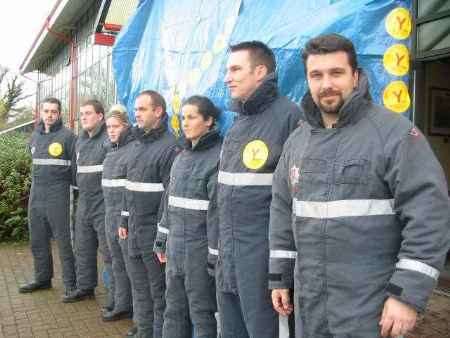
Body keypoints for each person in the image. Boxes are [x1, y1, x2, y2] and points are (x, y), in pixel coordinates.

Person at [269, 33, 450, 338]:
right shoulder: (296, 142)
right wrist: (279, 277)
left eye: (336, 73)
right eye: (317, 75)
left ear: (355, 76)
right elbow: (282, 210)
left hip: (369, 307)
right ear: (308, 80)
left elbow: (429, 217)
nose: (326, 83)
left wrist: (406, 295)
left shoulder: (395, 134)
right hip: (309, 303)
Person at [216, 40, 302, 338]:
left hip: (264, 264)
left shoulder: (290, 118)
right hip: (230, 258)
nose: (227, 77)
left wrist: (282, 273)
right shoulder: (238, 123)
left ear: (260, 72)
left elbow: (297, 203)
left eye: (236, 69)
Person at [154, 95, 221, 338]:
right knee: (173, 309)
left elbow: (217, 213)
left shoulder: (218, 157)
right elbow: (168, 202)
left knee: (202, 312)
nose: (185, 122)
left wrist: (214, 254)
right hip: (175, 248)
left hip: (199, 250)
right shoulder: (180, 157)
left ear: (209, 120)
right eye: (183, 117)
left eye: (192, 117)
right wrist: (162, 239)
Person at [118, 90, 179, 338]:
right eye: (136, 109)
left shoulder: (170, 147)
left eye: (142, 109)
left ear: (158, 112)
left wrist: (162, 239)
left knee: (158, 293)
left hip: (153, 235)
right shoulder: (135, 145)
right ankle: (144, 331)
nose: (137, 114)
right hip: (133, 230)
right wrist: (123, 219)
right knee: (139, 289)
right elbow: (129, 187)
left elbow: (169, 199)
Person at [19, 97, 76, 296]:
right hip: (37, 193)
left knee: (64, 240)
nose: (50, 115)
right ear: (40, 113)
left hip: (59, 193)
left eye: (54, 111)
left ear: (59, 114)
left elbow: (75, 171)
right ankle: (42, 279)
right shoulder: (34, 136)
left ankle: (71, 284)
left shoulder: (69, 137)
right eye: (46, 111)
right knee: (38, 238)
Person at [63, 99, 113, 306]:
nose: (83, 117)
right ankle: (85, 288)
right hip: (84, 202)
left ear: (100, 116)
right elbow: (76, 172)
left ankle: (117, 298)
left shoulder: (108, 139)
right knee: (83, 248)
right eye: (81, 113)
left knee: (109, 253)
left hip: (104, 204)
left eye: (88, 113)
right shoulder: (80, 140)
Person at [101, 105, 134, 322]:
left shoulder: (132, 152)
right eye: (109, 127)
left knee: (127, 265)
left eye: (116, 127)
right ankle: (119, 302)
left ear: (126, 126)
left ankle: (128, 307)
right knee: (113, 261)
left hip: (123, 218)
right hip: (109, 214)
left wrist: (124, 218)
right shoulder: (110, 153)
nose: (111, 131)